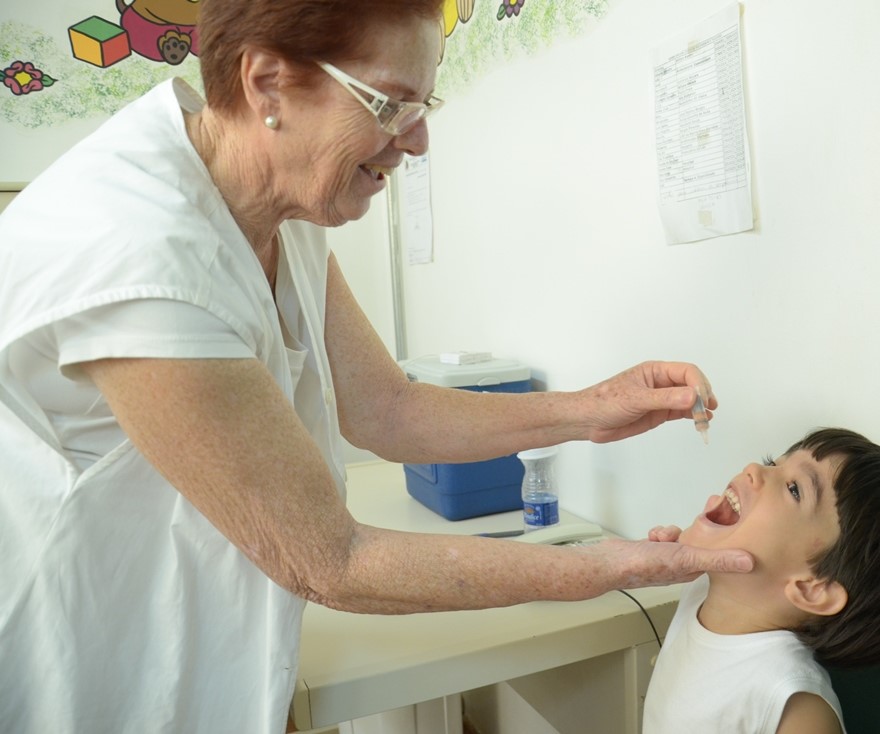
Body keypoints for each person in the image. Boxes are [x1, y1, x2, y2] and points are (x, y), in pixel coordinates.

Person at [0, 1, 755, 732]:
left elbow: (386, 408)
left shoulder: (277, 196)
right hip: (84, 632)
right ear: (268, 84)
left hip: (202, 599)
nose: (419, 139)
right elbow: (335, 560)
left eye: (425, 102)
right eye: (390, 103)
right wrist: (602, 567)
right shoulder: (139, 254)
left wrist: (590, 408)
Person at [641, 427, 880, 734]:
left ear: (812, 588)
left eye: (794, 489)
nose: (753, 469)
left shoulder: (790, 701)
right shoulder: (702, 589)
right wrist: (674, 551)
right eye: (771, 462)